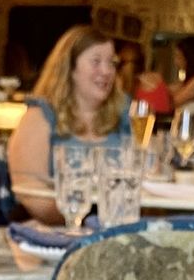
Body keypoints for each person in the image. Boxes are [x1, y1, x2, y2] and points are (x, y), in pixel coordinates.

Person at [7, 24, 129, 224]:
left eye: (111, 62)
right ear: (70, 68)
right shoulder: (42, 115)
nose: (107, 71)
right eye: (96, 62)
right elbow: (28, 191)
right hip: (54, 232)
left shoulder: (123, 114)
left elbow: (146, 176)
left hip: (115, 230)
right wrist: (79, 218)